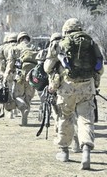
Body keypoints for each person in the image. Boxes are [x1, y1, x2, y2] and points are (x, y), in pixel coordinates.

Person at [43, 18, 104, 170]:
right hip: (87, 87)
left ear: (66, 29)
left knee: (65, 117)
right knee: (86, 119)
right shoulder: (91, 43)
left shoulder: (58, 44)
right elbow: (100, 69)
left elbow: (47, 67)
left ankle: (64, 151)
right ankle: (86, 151)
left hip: (66, 88)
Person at [4, 31, 37, 126]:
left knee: (16, 96)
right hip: (32, 76)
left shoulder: (15, 49)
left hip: (19, 76)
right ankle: (25, 117)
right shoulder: (34, 48)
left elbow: (10, 64)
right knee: (28, 97)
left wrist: (6, 75)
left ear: (19, 39)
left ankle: (23, 108)